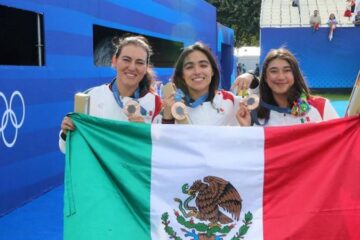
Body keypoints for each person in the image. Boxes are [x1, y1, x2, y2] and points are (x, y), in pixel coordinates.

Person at [59, 35, 162, 153]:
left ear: (145, 67)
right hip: (99, 171)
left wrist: (144, 134)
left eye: (139, 62)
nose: (132, 67)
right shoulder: (91, 96)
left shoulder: (155, 103)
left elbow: (159, 153)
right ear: (114, 61)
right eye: (126, 59)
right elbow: (65, 148)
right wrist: (66, 132)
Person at [234, 48, 338, 127]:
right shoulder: (254, 114)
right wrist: (246, 128)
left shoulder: (321, 107)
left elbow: (340, 145)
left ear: (295, 74)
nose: (281, 77)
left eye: (287, 70)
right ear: (265, 77)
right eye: (274, 71)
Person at [161, 42, 258, 126]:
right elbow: (162, 143)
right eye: (189, 67)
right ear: (182, 74)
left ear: (212, 71)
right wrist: (167, 118)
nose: (197, 71)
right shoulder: (173, 105)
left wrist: (251, 77)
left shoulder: (230, 101)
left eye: (203, 65)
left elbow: (264, 104)